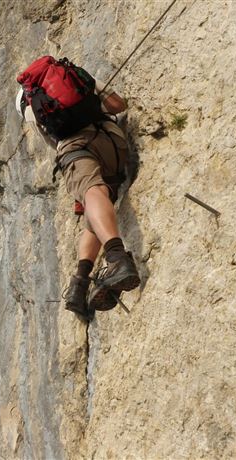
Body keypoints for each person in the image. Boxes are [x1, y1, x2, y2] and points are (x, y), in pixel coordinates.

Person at [16, 72, 140, 321]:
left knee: (92, 192)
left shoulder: (29, 105)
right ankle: (80, 282)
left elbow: (55, 141)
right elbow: (118, 104)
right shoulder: (75, 77)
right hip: (114, 143)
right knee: (97, 211)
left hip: (75, 148)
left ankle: (116, 257)